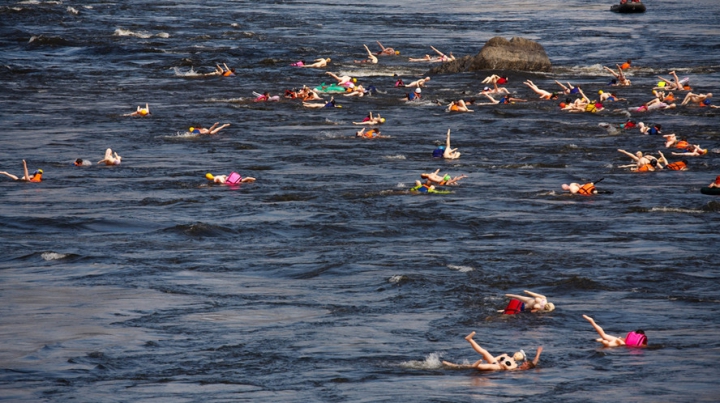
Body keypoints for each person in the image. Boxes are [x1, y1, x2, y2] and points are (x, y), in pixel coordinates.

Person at [441, 331, 543, 371]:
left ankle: (454, 366)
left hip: (497, 367)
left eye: (526, 363)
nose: (524, 362)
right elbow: (534, 362)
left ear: (527, 367)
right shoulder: (511, 359)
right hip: (495, 361)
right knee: (485, 352)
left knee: (483, 366)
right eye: (525, 362)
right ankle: (470, 339)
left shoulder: (517, 369)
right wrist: (538, 353)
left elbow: (533, 364)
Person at [582, 315, 647, 348]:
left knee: (604, 335)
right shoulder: (642, 344)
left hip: (619, 339)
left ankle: (592, 322)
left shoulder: (628, 338)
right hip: (620, 343)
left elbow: (621, 339)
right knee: (609, 345)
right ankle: (604, 342)